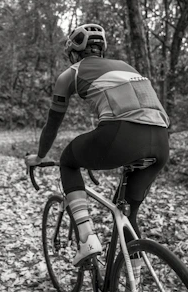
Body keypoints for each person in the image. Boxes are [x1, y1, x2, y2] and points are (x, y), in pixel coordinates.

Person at [25, 23, 170, 267]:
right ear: (101, 49)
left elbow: (52, 124)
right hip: (161, 141)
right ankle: (134, 279)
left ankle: (86, 237)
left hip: (120, 136)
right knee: (126, 215)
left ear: (73, 53)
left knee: (68, 160)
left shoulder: (70, 74)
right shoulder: (127, 68)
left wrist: (39, 156)